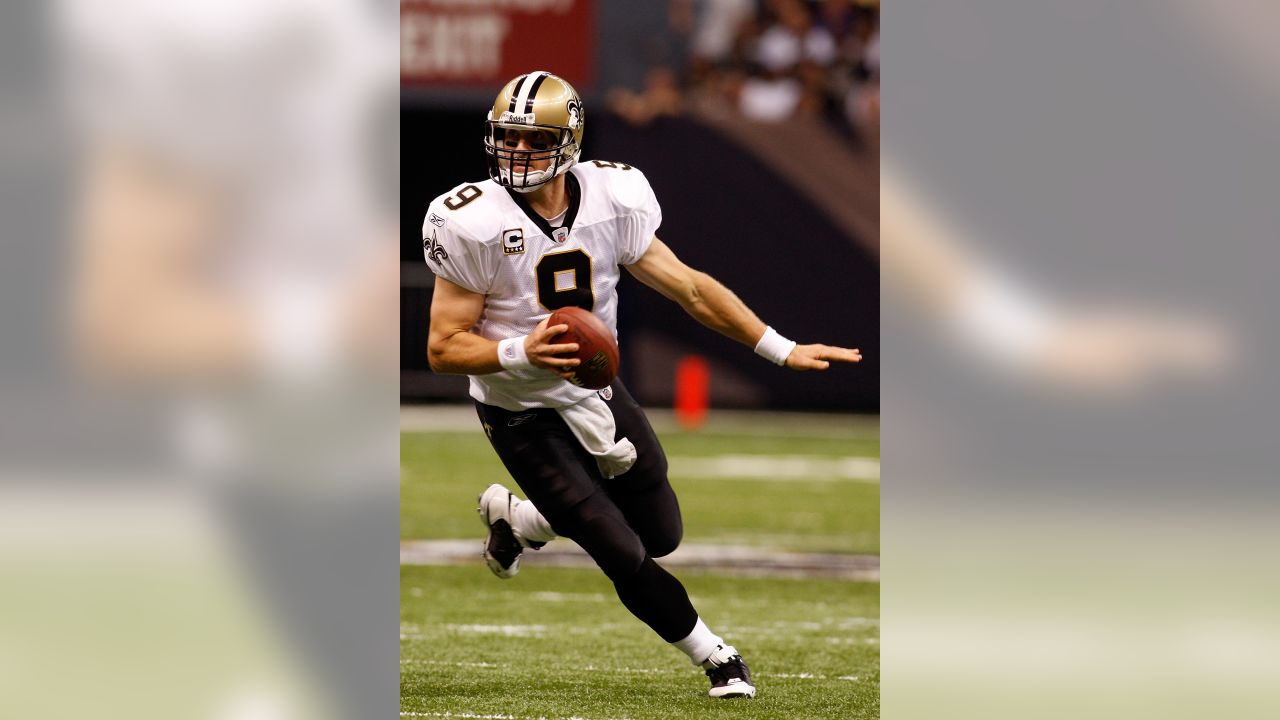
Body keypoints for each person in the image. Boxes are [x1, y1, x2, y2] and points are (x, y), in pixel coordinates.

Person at [422, 70, 862, 700]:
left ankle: (518, 523)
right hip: (518, 410)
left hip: (596, 391)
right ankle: (717, 658)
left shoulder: (613, 197)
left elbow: (688, 288)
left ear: (569, 142)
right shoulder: (470, 220)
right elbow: (442, 348)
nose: (518, 153)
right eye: (508, 139)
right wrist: (522, 350)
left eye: (535, 139)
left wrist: (780, 348)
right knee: (618, 546)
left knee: (662, 533)